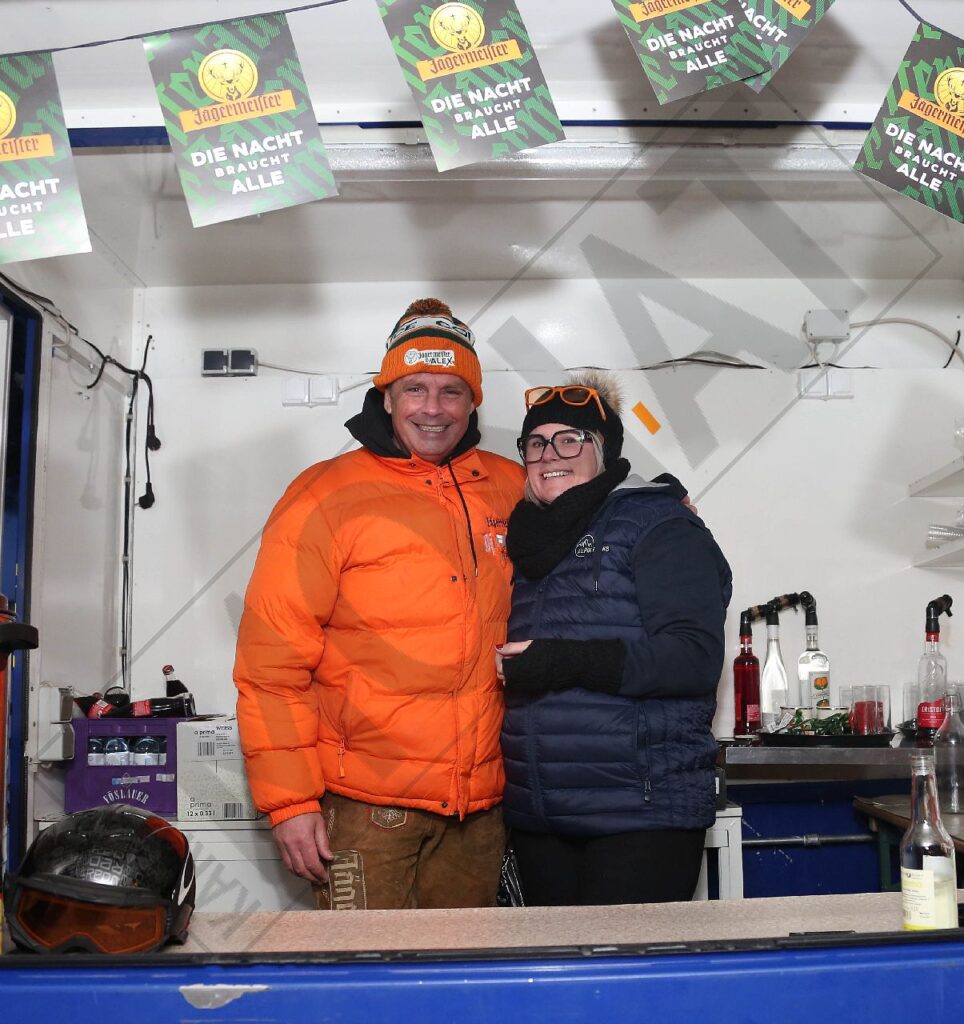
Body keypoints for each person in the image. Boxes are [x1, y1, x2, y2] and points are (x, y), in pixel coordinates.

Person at [233, 298, 524, 910]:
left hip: (478, 813)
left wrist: (656, 502)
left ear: (473, 402)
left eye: (451, 391)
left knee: (467, 969)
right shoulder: (324, 494)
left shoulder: (510, 487)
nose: (433, 408)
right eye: (415, 388)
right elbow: (272, 664)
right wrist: (290, 802)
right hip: (364, 808)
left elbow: (588, 509)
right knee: (359, 968)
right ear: (386, 396)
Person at [496, 372, 732, 906]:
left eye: (569, 439)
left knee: (629, 962)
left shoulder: (659, 524)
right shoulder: (527, 538)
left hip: (640, 812)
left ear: (603, 450)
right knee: (555, 961)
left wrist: (560, 662)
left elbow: (693, 658)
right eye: (536, 443)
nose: (549, 454)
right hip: (542, 816)